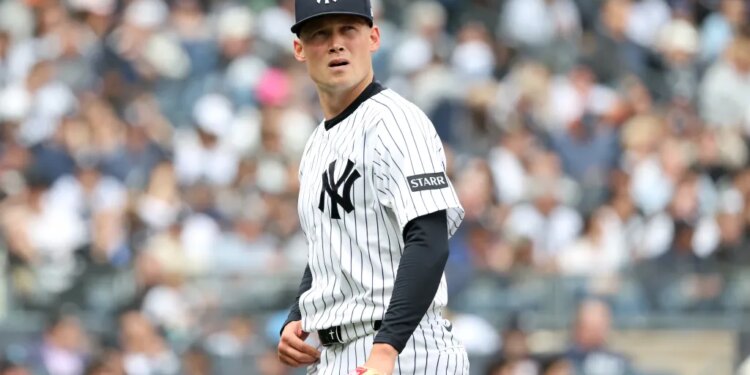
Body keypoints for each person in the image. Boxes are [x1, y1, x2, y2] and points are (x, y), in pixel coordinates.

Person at [276, 0, 468, 374]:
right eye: (320, 33)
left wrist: (385, 352)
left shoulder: (396, 121)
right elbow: (330, 247)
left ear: (374, 37)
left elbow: (428, 240)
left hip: (403, 350)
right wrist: (297, 314)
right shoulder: (316, 143)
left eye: (348, 29)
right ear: (299, 49)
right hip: (337, 354)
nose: (336, 44)